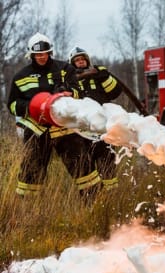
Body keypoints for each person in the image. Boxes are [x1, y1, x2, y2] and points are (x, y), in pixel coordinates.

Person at [6, 33, 101, 200]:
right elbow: (12, 105)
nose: (42, 57)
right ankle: (26, 209)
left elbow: (79, 94)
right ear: (31, 55)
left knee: (82, 168)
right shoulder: (21, 76)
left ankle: (94, 204)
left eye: (44, 53)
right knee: (31, 171)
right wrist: (30, 107)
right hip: (36, 131)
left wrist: (66, 93)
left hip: (65, 129)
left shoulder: (65, 69)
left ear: (50, 52)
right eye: (37, 55)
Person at [68, 46, 123, 190]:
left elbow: (115, 92)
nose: (80, 62)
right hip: (81, 132)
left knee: (107, 162)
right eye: (77, 60)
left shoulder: (98, 76)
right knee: (85, 163)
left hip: (103, 129)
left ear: (87, 61)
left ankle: (111, 193)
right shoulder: (70, 80)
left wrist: (104, 76)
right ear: (72, 63)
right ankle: (93, 195)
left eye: (82, 59)